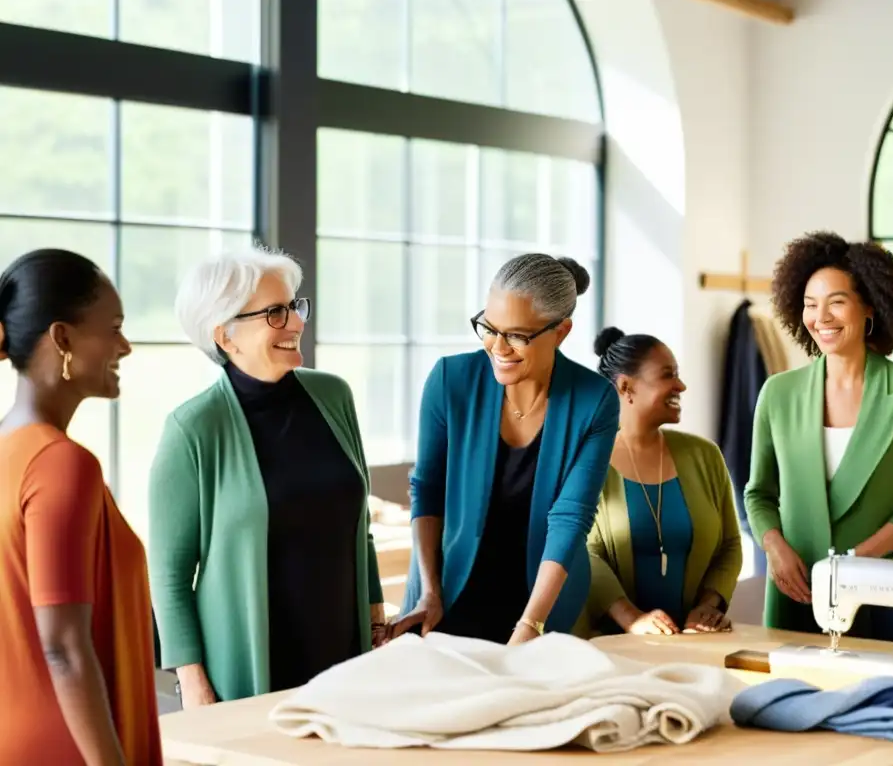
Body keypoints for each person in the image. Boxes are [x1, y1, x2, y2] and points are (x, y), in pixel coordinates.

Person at [148, 244, 384, 708]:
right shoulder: (192, 428)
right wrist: (193, 684)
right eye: (275, 313)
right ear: (226, 336)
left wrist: (377, 620)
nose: (296, 323)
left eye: (294, 307)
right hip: (251, 666)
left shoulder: (334, 396)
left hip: (345, 656)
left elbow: (362, 527)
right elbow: (170, 576)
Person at [388, 253, 619, 645]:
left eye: (517, 335)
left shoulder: (594, 400)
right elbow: (428, 492)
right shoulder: (450, 381)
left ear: (561, 332)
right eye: (489, 328)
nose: (498, 346)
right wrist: (429, 591)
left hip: (541, 606)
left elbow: (570, 518)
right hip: (441, 597)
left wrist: (531, 625)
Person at [0, 249, 162, 764]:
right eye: (112, 327)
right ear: (63, 338)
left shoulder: (9, 452)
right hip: (67, 747)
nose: (125, 346)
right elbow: (64, 648)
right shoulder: (60, 464)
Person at [745, 231, 893, 641]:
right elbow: (758, 494)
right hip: (795, 590)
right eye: (810, 305)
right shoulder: (778, 393)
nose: (821, 318)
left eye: (836, 302)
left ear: (870, 305)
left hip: (882, 588)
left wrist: (863, 559)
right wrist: (775, 549)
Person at [586, 328, 743, 637]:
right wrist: (632, 619)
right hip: (608, 646)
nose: (681, 385)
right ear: (626, 386)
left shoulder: (705, 456)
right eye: (667, 375)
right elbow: (582, 553)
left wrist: (708, 606)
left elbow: (730, 545)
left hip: (692, 643)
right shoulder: (587, 462)